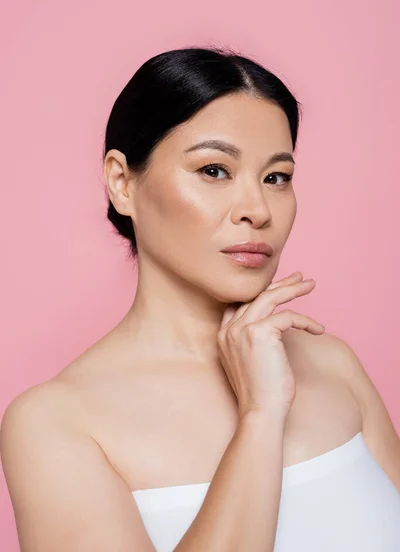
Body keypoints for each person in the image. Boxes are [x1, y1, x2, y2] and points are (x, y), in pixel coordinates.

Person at [1, 45, 400, 552]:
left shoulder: (333, 365)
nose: (257, 209)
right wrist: (259, 417)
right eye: (214, 170)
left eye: (276, 177)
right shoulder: (56, 423)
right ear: (122, 183)